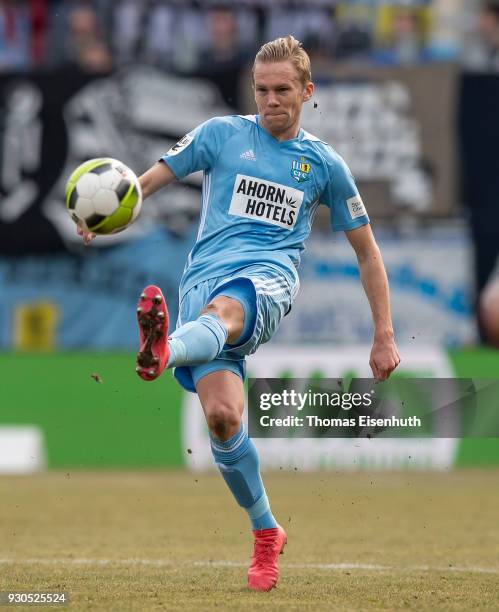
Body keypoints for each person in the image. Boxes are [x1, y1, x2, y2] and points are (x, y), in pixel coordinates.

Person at [78, 35, 400, 592]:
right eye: (262, 90)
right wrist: (115, 214)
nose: (271, 100)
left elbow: (367, 252)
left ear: (307, 92)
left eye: (283, 90)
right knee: (224, 420)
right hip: (201, 287)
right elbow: (148, 179)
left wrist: (384, 335)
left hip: (266, 284)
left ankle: (164, 350)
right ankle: (266, 532)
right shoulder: (220, 135)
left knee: (228, 308)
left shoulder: (324, 165)